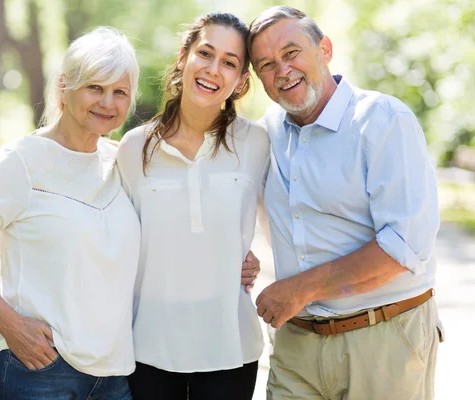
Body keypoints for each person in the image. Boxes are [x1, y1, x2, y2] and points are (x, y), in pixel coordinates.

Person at [0, 27, 142, 400]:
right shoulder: (23, 161)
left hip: (114, 375)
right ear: (65, 86)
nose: (107, 102)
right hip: (38, 370)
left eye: (119, 92)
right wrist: (8, 323)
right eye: (95, 87)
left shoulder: (121, 162)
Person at [248, 6, 441, 400]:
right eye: (266, 64)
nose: (282, 71)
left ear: (325, 49)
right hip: (295, 346)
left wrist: (299, 289)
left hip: (384, 339)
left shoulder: (382, 120)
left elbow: (403, 247)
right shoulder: (266, 132)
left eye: (291, 53)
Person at [117, 13, 270, 400]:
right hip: (148, 344)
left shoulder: (257, 144)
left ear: (241, 81)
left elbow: (289, 221)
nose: (213, 69)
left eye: (230, 62)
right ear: (184, 57)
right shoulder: (135, 148)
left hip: (229, 345)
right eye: (205, 52)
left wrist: (250, 258)